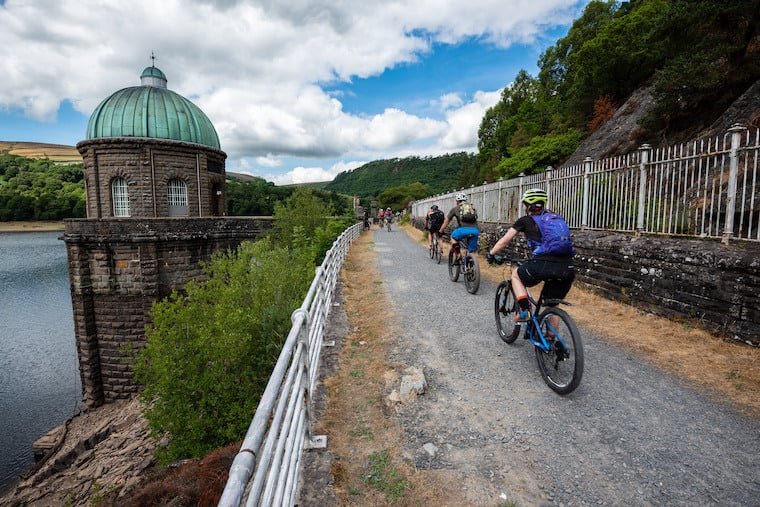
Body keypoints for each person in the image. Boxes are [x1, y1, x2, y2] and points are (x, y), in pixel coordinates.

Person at [486, 188, 575, 322]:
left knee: (516, 275)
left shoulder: (525, 220)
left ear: (527, 205)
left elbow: (505, 241)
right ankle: (551, 339)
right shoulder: (555, 219)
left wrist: (491, 253)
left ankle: (524, 311)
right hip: (567, 267)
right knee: (553, 305)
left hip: (542, 264)